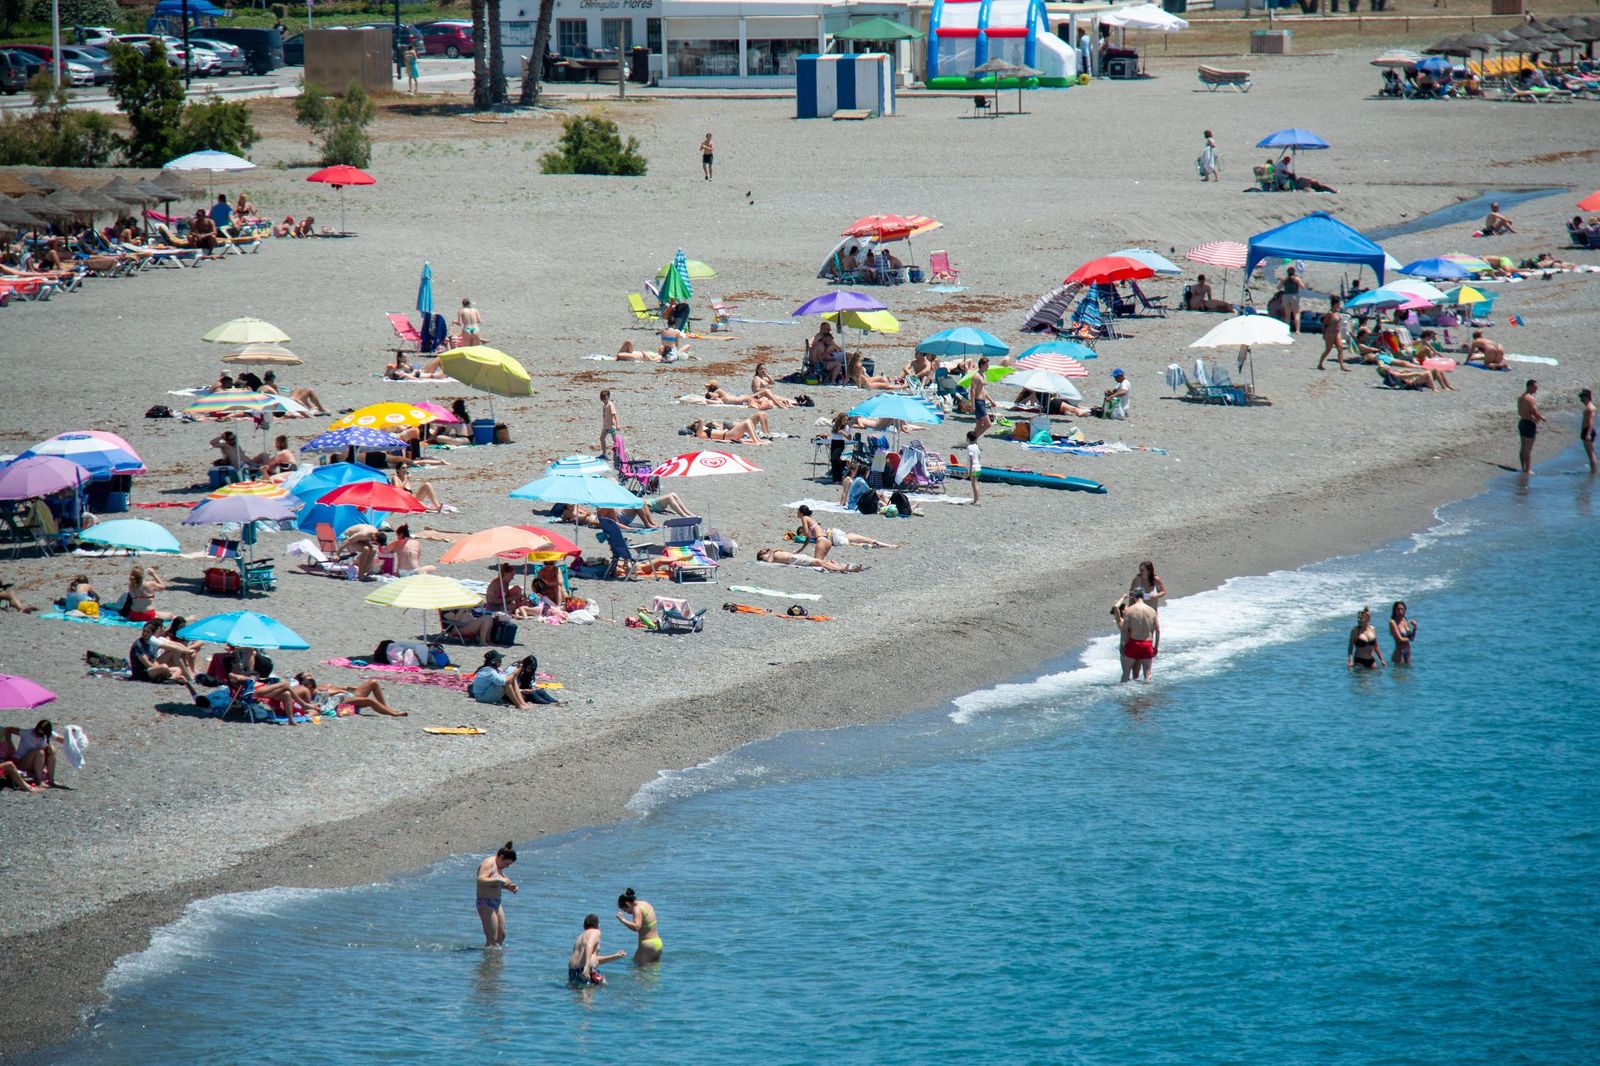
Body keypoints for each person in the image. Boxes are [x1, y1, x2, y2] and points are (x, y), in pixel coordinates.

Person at [290, 673, 407, 717]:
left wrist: (352, 688)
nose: (311, 678)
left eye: (310, 676)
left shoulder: (321, 685)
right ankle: (393, 713)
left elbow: (343, 688)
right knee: (369, 701)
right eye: (307, 677)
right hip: (339, 704)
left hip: (348, 696)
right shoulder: (305, 691)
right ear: (303, 682)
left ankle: (385, 708)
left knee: (373, 683)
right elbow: (315, 705)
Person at [129, 619, 197, 693]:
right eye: (144, 631)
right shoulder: (139, 644)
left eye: (147, 632)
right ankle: (172, 678)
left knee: (177, 669)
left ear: (152, 633)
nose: (144, 633)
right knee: (164, 666)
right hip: (142, 673)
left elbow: (154, 659)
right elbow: (147, 664)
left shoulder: (152, 641)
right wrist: (165, 670)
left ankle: (167, 679)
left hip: (152, 669)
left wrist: (188, 650)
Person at [476, 843, 518, 947]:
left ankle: (498, 960)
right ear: (501, 857)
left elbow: (497, 883)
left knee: (501, 935)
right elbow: (481, 879)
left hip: (497, 903)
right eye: (506, 864)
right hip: (485, 902)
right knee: (492, 938)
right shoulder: (489, 863)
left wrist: (510, 887)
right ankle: (489, 962)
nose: (507, 867)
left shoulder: (499, 866)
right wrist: (500, 879)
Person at [570, 913, 626, 986]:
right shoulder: (595, 932)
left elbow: (592, 958)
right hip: (585, 970)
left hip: (573, 971)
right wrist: (587, 967)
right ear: (598, 926)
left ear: (584, 927)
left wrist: (615, 956)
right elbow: (589, 945)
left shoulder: (580, 937)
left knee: (578, 996)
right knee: (601, 986)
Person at [1114, 594, 1159, 683]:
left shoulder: (1132, 620)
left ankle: (1135, 694)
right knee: (1129, 672)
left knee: (1136, 675)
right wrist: (1123, 597)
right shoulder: (1121, 621)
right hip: (1128, 646)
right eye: (1125, 608)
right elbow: (1115, 608)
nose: (1128, 608)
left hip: (1133, 646)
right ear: (1122, 611)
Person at [7, 720, 62, 788]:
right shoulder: (27, 733)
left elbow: (62, 740)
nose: (39, 734)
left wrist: (73, 736)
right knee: (39, 752)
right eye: (38, 731)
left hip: (36, 763)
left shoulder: (48, 735)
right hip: (22, 763)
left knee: (52, 750)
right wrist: (10, 744)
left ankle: (51, 780)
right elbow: (8, 729)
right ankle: (39, 781)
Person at [616, 888, 662, 964]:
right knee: (653, 972)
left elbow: (636, 927)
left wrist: (622, 920)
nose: (628, 913)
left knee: (638, 972)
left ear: (627, 904)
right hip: (658, 943)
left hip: (647, 945)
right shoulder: (645, 903)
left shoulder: (636, 909)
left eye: (625, 910)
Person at [261, 371, 327, 414]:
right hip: (284, 406)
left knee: (299, 388)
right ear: (272, 379)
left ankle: (311, 408)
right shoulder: (268, 388)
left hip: (283, 403)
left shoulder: (265, 387)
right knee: (309, 390)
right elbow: (278, 400)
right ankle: (321, 409)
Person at [755, 547, 864, 573]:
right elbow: (769, 562)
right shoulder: (765, 556)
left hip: (795, 557)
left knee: (821, 561)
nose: (766, 549)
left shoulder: (772, 552)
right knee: (819, 562)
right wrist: (773, 551)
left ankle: (845, 567)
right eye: (763, 550)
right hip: (792, 560)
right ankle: (843, 568)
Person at [1315, 296, 1350, 371]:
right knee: (1328, 349)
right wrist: (1324, 334)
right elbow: (1324, 323)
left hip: (1337, 332)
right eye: (1338, 303)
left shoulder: (1337, 311)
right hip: (1330, 332)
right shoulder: (1330, 313)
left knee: (1340, 348)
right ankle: (1320, 364)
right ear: (1335, 303)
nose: (1339, 304)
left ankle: (1342, 366)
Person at [705, 380, 794, 409]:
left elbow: (714, 396)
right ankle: (784, 403)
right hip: (745, 399)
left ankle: (781, 404)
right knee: (766, 395)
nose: (707, 388)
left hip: (745, 398)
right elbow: (715, 398)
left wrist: (709, 395)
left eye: (709, 387)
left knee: (766, 392)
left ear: (712, 387)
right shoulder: (720, 393)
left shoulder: (717, 391)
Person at [1517, 379, 1544, 475]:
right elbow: (1534, 412)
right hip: (1529, 424)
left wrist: (1533, 417)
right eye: (1535, 387)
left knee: (1523, 446)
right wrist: (1542, 418)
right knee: (1528, 448)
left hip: (1522, 422)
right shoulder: (1530, 398)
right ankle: (1527, 470)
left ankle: (1523, 467)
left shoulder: (1520, 397)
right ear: (1529, 386)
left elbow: (1521, 412)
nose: (1536, 389)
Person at [686, 417, 769, 445]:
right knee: (747, 422)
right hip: (728, 435)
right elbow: (700, 428)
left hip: (729, 434)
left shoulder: (705, 430)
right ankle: (756, 440)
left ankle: (758, 439)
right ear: (696, 428)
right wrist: (699, 422)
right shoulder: (701, 434)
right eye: (697, 425)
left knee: (749, 421)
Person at [970, 357, 993, 437]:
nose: (988, 367)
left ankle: (971, 441)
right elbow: (972, 391)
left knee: (979, 424)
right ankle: (972, 439)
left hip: (982, 402)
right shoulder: (976, 376)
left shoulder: (983, 375)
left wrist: (991, 400)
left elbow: (983, 390)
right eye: (986, 365)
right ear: (982, 365)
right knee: (988, 424)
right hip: (978, 402)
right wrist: (972, 405)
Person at [1388, 601, 1416, 665]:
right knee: (1398, 674)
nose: (1400, 611)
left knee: (1407, 674)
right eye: (1398, 609)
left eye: (1402, 609)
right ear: (1394, 610)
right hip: (1399, 653)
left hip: (1408, 652)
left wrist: (1415, 628)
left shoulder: (1404, 620)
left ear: (1405, 610)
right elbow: (1400, 639)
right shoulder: (1392, 622)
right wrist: (1410, 638)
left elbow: (1412, 638)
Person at [1278, 267, 1302, 334]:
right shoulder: (1296, 279)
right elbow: (1302, 286)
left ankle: (1287, 330)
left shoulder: (1284, 279)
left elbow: (1278, 287)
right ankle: (1297, 330)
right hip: (1294, 296)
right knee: (1296, 314)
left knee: (1287, 314)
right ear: (1294, 272)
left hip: (1286, 296)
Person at [1581, 388, 1596, 475]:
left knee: (1590, 453)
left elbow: (1591, 421)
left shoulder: (1590, 408)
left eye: (1582, 397)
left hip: (1588, 431)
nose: (1581, 399)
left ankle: (1593, 472)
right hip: (1586, 430)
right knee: (1590, 453)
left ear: (1586, 397)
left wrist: (1588, 433)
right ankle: (1593, 471)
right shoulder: (1588, 407)